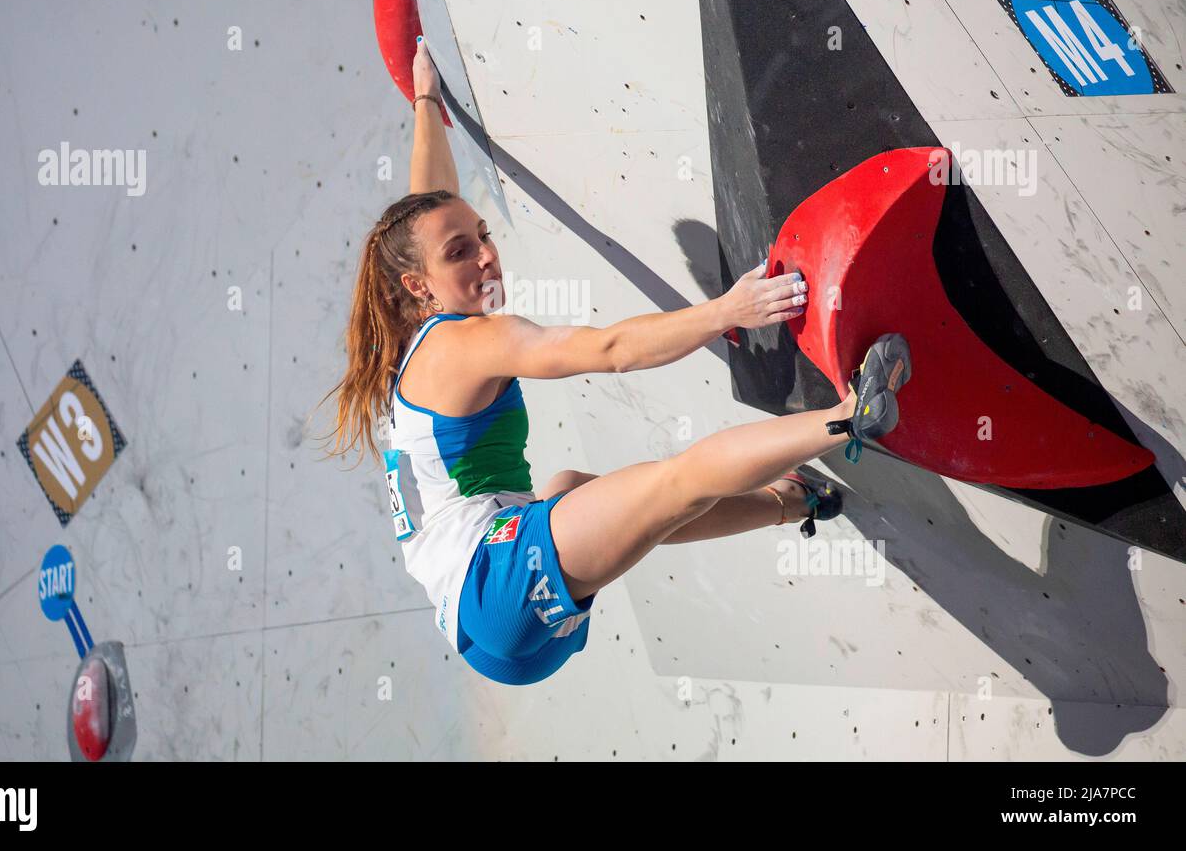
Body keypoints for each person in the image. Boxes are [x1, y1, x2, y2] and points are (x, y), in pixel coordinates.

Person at [318, 38, 911, 685]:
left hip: (482, 629)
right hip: (494, 588)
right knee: (670, 482)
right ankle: (853, 413)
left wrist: (426, 98)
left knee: (584, 490)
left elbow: (428, 214)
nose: (487, 256)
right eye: (464, 252)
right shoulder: (471, 342)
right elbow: (611, 350)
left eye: (484, 236)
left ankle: (795, 501)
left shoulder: (419, 330)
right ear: (419, 285)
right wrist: (726, 311)